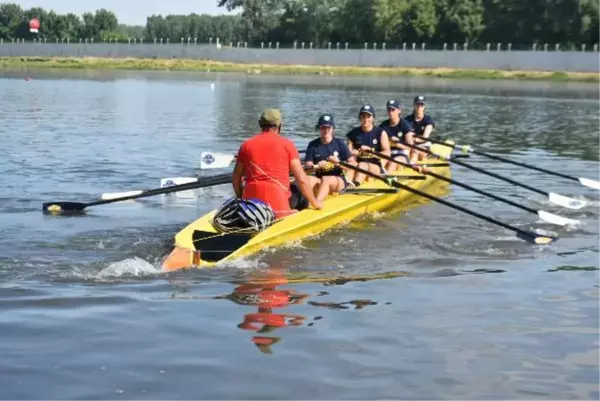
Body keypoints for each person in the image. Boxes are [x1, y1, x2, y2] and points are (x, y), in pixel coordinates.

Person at [231, 108, 323, 220]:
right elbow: (302, 180)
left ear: (260, 124)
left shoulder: (246, 145)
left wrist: (241, 198)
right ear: (280, 125)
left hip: (251, 205)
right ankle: (298, 215)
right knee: (303, 183)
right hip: (279, 205)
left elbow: (236, 179)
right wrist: (315, 203)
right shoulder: (287, 145)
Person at [304, 114, 356, 201]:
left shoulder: (339, 143)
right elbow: (307, 169)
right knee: (308, 179)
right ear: (319, 128)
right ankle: (301, 203)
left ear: (333, 129)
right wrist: (317, 166)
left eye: (329, 127)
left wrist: (338, 163)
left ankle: (317, 204)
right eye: (323, 127)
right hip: (320, 180)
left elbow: (353, 164)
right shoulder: (312, 145)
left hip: (338, 180)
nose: (326, 130)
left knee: (326, 179)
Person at [345, 104, 391, 185]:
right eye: (363, 116)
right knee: (351, 165)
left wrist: (370, 151)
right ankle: (345, 186)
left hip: (375, 166)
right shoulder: (352, 134)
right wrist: (352, 153)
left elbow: (387, 153)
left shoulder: (381, 133)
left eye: (368, 116)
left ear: (373, 118)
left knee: (363, 165)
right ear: (360, 118)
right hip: (358, 164)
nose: (365, 119)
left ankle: (355, 185)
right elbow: (348, 156)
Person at [378, 99, 419, 173]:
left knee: (394, 161)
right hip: (388, 153)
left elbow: (410, 146)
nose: (390, 112)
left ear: (399, 110)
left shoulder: (405, 125)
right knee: (377, 162)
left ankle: (386, 178)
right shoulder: (383, 125)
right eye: (389, 109)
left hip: (402, 154)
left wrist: (397, 144)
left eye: (393, 110)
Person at [405, 95, 436, 161]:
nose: (419, 106)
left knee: (420, 154)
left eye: (421, 104)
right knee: (412, 152)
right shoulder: (407, 120)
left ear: (424, 106)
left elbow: (424, 138)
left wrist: (412, 139)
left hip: (423, 145)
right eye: (417, 104)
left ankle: (420, 165)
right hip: (410, 145)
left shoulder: (428, 120)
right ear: (414, 105)